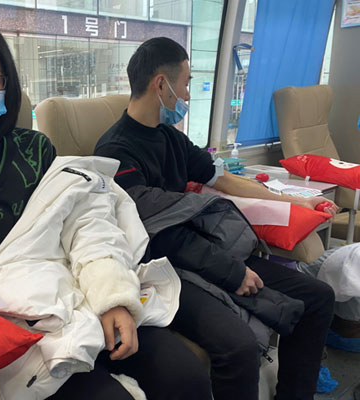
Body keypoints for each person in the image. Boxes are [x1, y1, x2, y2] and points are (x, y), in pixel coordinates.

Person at [0, 20, 212, 399]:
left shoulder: (36, 149)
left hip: (77, 289)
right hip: (15, 315)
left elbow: (84, 222)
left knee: (185, 376)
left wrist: (112, 296)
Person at [94, 36, 337, 400]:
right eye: (186, 83)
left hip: (203, 254)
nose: (187, 95)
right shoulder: (115, 151)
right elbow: (158, 234)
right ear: (161, 84)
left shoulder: (170, 138)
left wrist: (294, 202)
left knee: (317, 297)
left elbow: (222, 177)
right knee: (238, 348)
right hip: (164, 270)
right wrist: (232, 272)